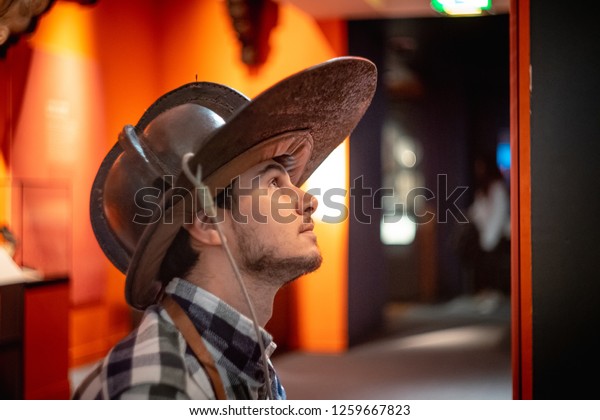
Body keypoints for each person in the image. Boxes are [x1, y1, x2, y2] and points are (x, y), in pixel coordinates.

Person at [73, 57, 377, 400]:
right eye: (274, 184)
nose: (308, 201)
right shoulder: (162, 387)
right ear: (205, 221)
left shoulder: (238, 355)